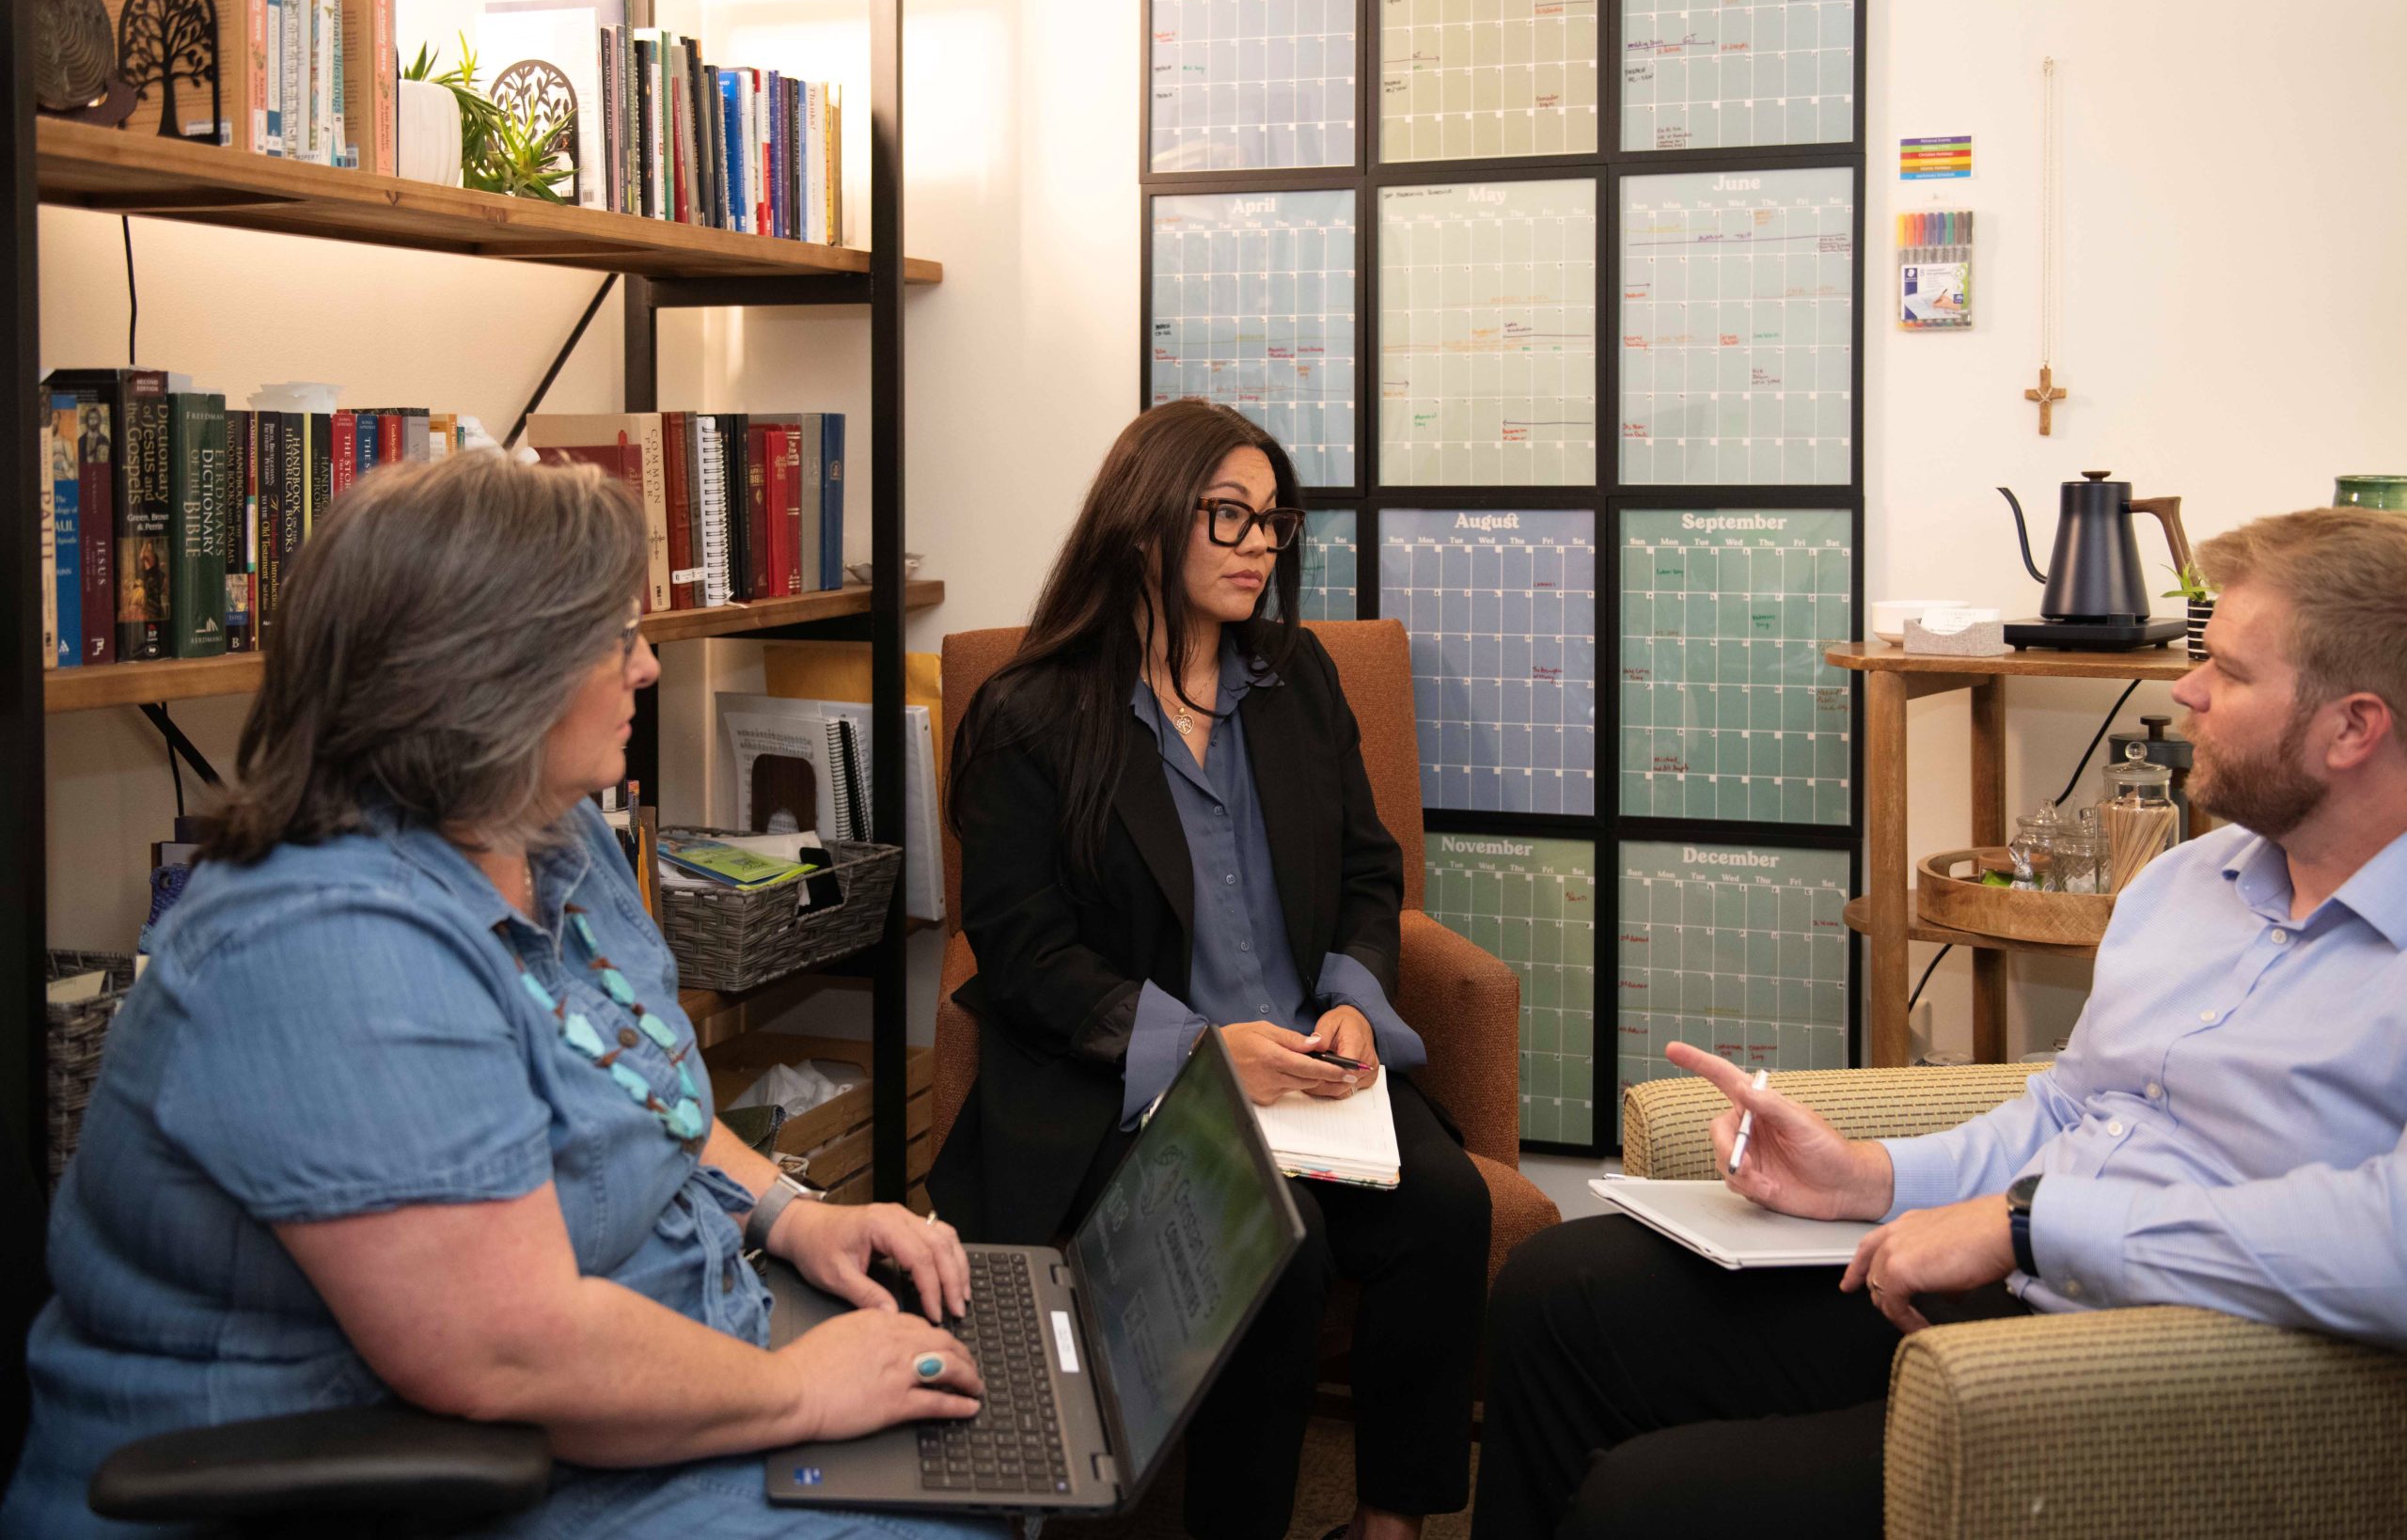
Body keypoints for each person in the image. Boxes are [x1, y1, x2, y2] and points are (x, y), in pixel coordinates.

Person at [3, 450, 1001, 1540]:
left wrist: (790, 1214)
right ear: (488, 674)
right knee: (951, 1512)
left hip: (636, 1381)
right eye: (615, 638)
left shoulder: (549, 830)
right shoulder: (329, 944)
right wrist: (803, 1390)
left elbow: (638, 1088)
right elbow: (505, 1355)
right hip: (431, 1473)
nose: (647, 668)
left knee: (983, 1452)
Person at [1472, 506, 2407, 1540]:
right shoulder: (2186, 882)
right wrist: (1865, 1177)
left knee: (1647, 1505)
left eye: (2226, 671)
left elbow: (2390, 1239)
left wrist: (2030, 1223)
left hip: (2160, 1366)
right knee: (1558, 1293)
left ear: (2352, 727)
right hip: (2013, 1276)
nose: (2185, 690)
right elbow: (2068, 1107)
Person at [934, 399, 1491, 1540]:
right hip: (1129, 1090)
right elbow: (1025, 953)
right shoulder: (1027, 715)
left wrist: (1352, 999)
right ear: (1144, 519)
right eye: (1226, 515)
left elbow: (1369, 871)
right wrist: (1199, 1051)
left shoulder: (1298, 679)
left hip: (1309, 1067)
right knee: (1278, 1248)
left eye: (1271, 521)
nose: (1257, 545)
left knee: (1447, 1206)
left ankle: (1387, 1529)